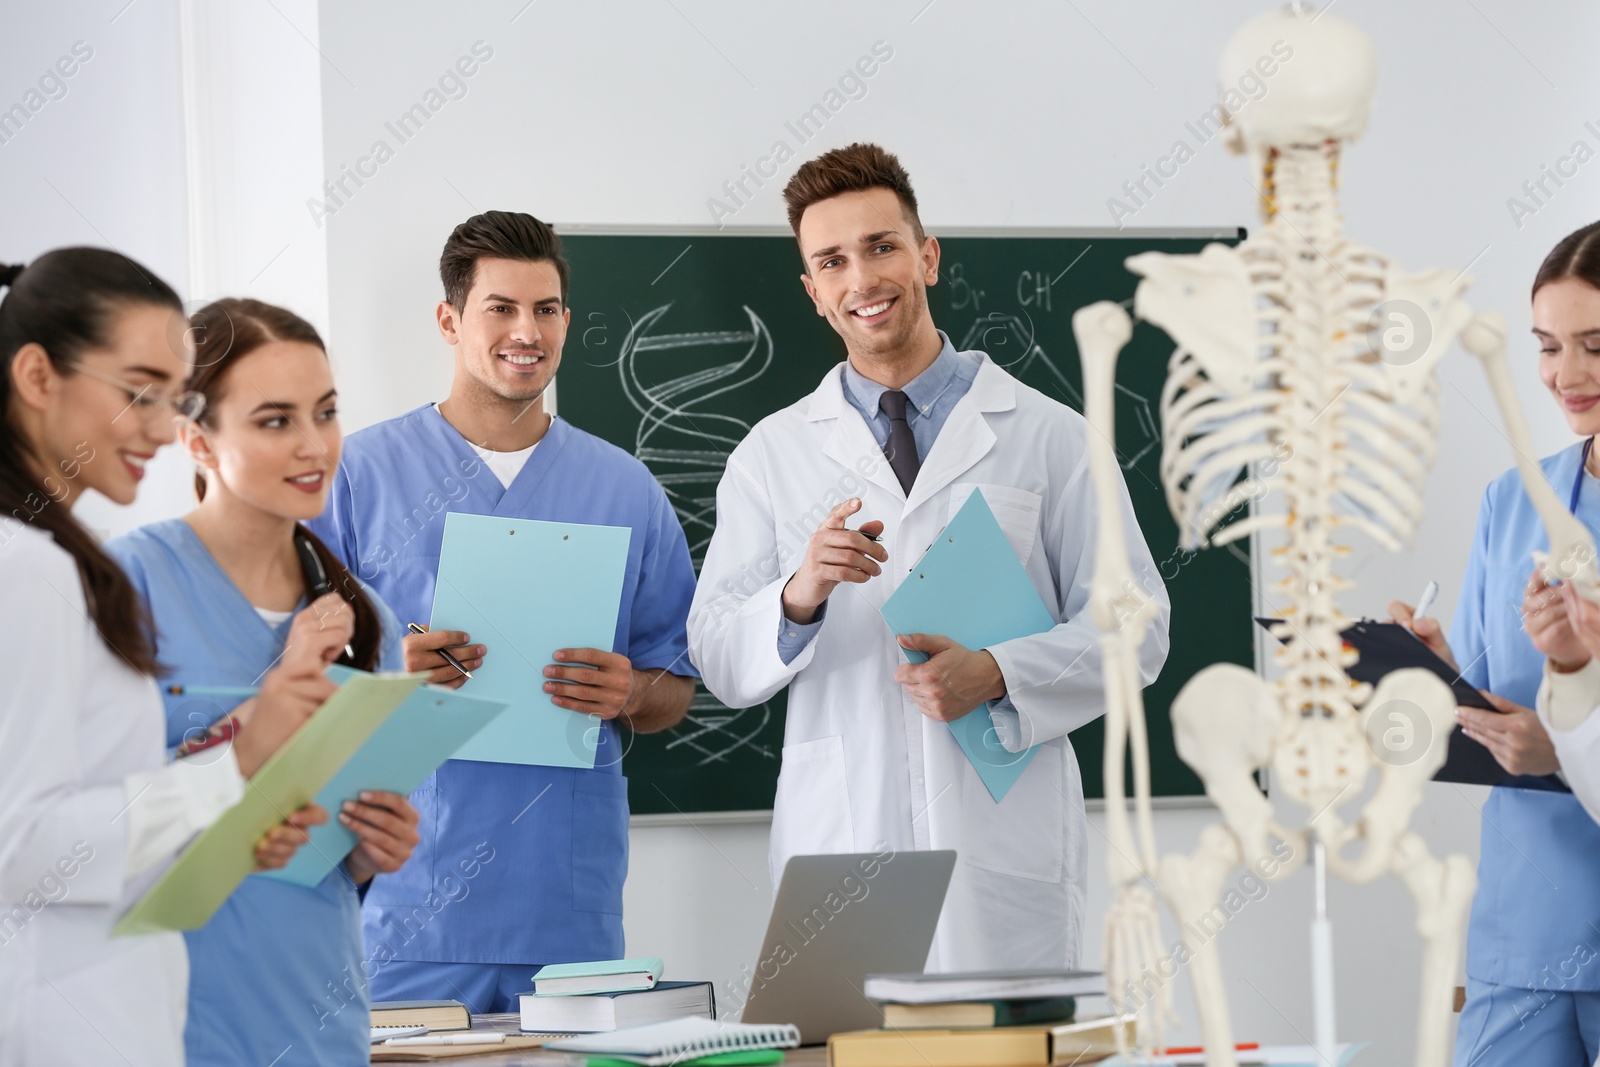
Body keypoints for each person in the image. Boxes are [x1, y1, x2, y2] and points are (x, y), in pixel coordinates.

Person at [688, 143, 1171, 971]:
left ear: (927, 255)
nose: (862, 279)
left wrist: (999, 672)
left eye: (882, 246)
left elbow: (1138, 630)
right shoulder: (772, 455)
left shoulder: (1050, 437)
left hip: (1001, 847)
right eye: (832, 261)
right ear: (813, 293)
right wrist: (798, 595)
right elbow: (720, 659)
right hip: (840, 845)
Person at [309, 211, 699, 1012]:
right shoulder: (354, 477)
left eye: (547, 308)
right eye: (502, 307)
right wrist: (386, 671)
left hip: (566, 908)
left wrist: (629, 692)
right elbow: (284, 670)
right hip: (402, 902)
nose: (528, 330)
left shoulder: (625, 490)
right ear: (451, 319)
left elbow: (675, 686)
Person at [0, 250, 336, 1066]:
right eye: (136, 392)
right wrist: (239, 759)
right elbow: (23, 847)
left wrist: (226, 828)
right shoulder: (28, 570)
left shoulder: (56, 559)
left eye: (172, 397)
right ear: (38, 375)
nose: (161, 427)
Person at [106, 298, 422, 1066]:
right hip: (171, 1029)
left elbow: (337, 854)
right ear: (195, 439)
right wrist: (256, 720)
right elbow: (79, 833)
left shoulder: (363, 615)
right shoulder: (124, 588)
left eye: (327, 412)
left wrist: (371, 848)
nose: (315, 445)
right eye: (275, 420)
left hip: (321, 1022)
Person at [1390, 220, 1600, 1066]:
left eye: (1595, 344)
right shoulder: (1513, 502)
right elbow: (1490, 695)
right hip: (1526, 920)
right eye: (1549, 346)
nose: (1566, 375)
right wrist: (1433, 667)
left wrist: (1565, 743)